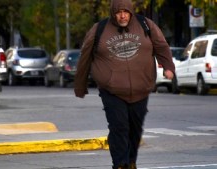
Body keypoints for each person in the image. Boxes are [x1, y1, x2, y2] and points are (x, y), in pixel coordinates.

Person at [74, 0, 175, 169]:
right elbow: (85, 57)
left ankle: (131, 161)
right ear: (113, 13)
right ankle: (120, 164)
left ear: (131, 12)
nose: (122, 15)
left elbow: (162, 47)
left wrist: (168, 67)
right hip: (112, 90)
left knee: (135, 130)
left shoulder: (145, 25)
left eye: (126, 12)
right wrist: (80, 85)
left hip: (141, 88)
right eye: (119, 12)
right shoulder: (99, 29)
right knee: (119, 126)